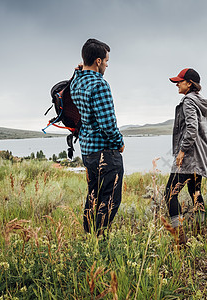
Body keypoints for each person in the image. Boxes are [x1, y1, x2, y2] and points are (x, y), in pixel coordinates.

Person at [70, 38, 125, 237]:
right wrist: (119, 143)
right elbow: (108, 125)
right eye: (106, 61)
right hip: (105, 152)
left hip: (87, 151)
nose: (107, 65)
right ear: (99, 61)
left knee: (93, 194)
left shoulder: (76, 81)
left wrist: (79, 69)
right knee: (110, 198)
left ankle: (89, 233)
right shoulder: (100, 85)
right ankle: (99, 237)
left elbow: (78, 72)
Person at [165, 68, 207, 245]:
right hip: (200, 158)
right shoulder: (201, 102)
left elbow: (192, 129)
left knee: (170, 194)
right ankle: (201, 231)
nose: (177, 84)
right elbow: (205, 134)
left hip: (189, 158)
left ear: (189, 84)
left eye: (180, 81)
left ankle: (179, 238)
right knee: (195, 193)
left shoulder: (188, 101)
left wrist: (181, 152)